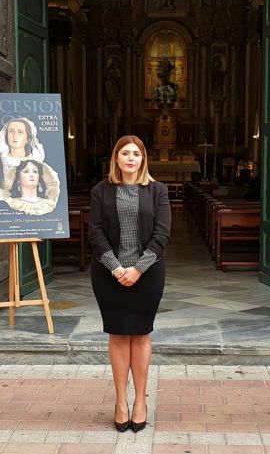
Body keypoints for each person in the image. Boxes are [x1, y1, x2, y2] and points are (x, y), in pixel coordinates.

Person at [88, 135, 171, 433]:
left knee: (141, 335)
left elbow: (162, 235)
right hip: (109, 275)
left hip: (147, 275)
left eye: (136, 153)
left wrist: (137, 269)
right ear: (116, 158)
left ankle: (140, 401)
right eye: (125, 153)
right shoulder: (101, 191)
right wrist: (116, 268)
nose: (131, 158)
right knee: (119, 335)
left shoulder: (158, 191)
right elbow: (96, 234)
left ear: (143, 159)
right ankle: (121, 401)